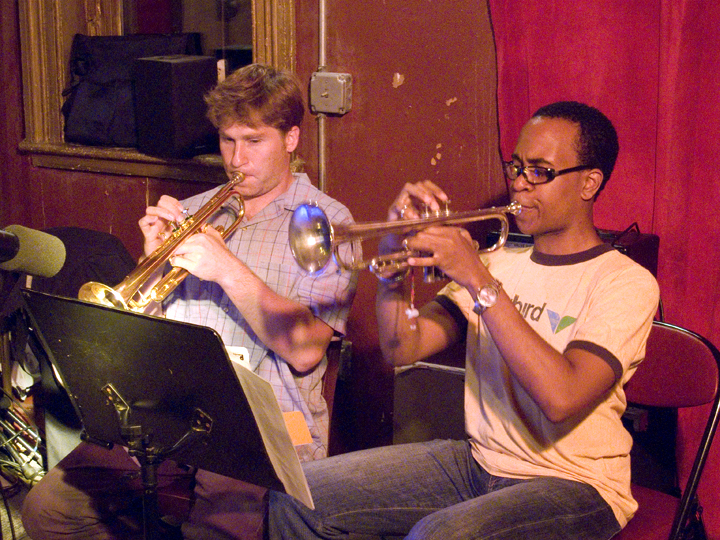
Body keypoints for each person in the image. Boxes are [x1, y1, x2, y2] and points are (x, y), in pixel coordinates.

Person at [266, 101, 660, 539]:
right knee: (298, 493)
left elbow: (561, 397)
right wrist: (395, 262)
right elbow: (403, 349)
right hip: (479, 462)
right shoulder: (502, 262)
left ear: (589, 183)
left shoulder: (624, 282)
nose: (520, 185)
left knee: (439, 535)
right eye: (516, 167)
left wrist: (477, 278)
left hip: (576, 485)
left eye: (540, 172)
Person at [21, 63, 358, 540]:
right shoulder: (195, 210)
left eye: (253, 141)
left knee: (217, 528)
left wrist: (226, 268)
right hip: (170, 413)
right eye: (226, 140)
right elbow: (154, 328)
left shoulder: (327, 224)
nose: (237, 159)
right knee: (49, 509)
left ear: (291, 139)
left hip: (263, 429)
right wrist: (149, 262)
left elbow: (305, 349)